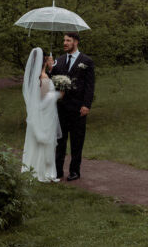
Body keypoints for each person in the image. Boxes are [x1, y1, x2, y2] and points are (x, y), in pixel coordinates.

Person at [47, 31, 95, 181]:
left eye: (68, 41)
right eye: (64, 41)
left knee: (77, 141)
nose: (64, 43)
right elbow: (51, 81)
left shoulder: (86, 61)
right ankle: (58, 170)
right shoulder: (59, 61)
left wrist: (86, 105)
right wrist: (49, 69)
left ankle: (75, 171)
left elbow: (89, 85)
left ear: (76, 42)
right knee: (60, 140)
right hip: (61, 108)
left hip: (78, 108)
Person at [21, 47, 62, 182]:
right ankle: (43, 171)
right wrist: (58, 94)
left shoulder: (33, 78)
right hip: (45, 117)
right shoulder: (43, 78)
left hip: (35, 117)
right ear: (45, 61)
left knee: (33, 143)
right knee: (44, 145)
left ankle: (31, 168)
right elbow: (45, 100)